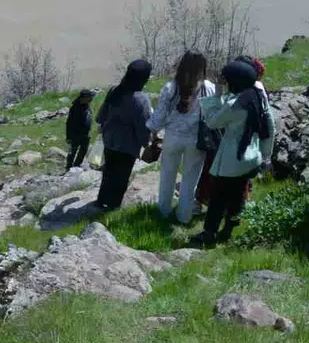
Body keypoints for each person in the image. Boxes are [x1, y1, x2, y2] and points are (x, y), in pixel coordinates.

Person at [191, 60, 276, 246]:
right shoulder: (256, 96)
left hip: (232, 158)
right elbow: (270, 125)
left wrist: (216, 96)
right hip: (251, 156)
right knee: (237, 196)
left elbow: (213, 122)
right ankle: (228, 230)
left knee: (217, 198)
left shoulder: (235, 104)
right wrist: (266, 155)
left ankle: (209, 233)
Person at [148, 52, 217, 223]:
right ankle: (184, 216)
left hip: (172, 137)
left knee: (167, 176)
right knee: (190, 179)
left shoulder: (171, 87)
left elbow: (159, 117)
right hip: (196, 139)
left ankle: (163, 212)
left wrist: (154, 133)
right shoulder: (208, 87)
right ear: (202, 67)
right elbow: (212, 115)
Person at [95, 60, 153, 209]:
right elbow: (143, 126)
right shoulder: (141, 100)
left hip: (109, 140)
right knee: (121, 176)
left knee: (108, 172)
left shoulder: (115, 90)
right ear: (144, 79)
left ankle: (101, 200)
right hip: (127, 145)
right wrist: (146, 143)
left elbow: (101, 115)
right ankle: (113, 206)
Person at [65, 89, 97, 171]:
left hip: (85, 133)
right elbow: (69, 123)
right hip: (76, 134)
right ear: (83, 98)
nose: (91, 99)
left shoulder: (86, 105)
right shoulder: (75, 108)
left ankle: (77, 165)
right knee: (73, 151)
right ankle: (69, 167)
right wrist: (68, 137)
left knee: (83, 150)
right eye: (89, 98)